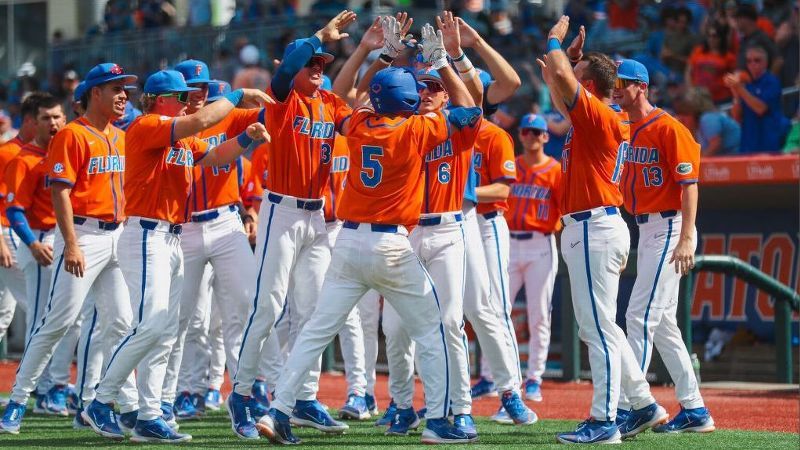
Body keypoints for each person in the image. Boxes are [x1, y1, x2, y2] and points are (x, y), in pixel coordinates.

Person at [256, 28, 482, 444]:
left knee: (315, 332)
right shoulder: (416, 130)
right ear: (409, 102)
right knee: (432, 329)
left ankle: (279, 409)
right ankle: (436, 420)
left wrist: (377, 57)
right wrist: (441, 63)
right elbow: (469, 110)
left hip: (348, 244)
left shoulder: (359, 123)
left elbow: (340, 97)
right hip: (391, 246)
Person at [82, 69, 269, 443]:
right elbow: (201, 120)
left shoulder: (180, 139)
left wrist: (246, 138)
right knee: (151, 326)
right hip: (145, 235)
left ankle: (150, 414)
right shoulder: (147, 124)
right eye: (181, 96)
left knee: (165, 333)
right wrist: (236, 95)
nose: (188, 100)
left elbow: (217, 156)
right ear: (160, 98)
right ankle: (101, 400)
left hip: (170, 237)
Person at [227, 11, 357, 440]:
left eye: (323, 64)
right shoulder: (280, 100)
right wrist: (319, 36)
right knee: (268, 306)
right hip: (280, 210)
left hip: (317, 214)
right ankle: (243, 394)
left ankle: (303, 398)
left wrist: (371, 54)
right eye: (312, 64)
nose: (318, 69)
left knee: (313, 312)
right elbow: (287, 67)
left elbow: (352, 121)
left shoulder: (330, 103)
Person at [537, 16, 665, 444]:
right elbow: (561, 92)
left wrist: (556, 43)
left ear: (589, 87)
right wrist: (568, 66)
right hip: (597, 225)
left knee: (596, 330)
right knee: (604, 326)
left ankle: (604, 421)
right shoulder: (598, 117)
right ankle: (644, 404)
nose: (571, 83)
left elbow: (560, 80)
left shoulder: (601, 117)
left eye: (578, 79)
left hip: (594, 226)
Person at [0, 64, 141, 435]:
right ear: (95, 93)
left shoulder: (120, 136)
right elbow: (59, 191)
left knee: (121, 323)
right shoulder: (72, 135)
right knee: (58, 322)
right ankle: (17, 401)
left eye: (124, 88)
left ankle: (120, 405)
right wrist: (73, 245)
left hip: (116, 235)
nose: (123, 94)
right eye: (115, 88)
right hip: (82, 234)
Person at [614, 58, 715, 434]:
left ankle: (632, 406)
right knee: (663, 324)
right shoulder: (625, 127)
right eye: (616, 83)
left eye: (624, 83)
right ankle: (695, 409)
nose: (618, 89)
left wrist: (688, 236)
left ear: (642, 86)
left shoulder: (669, 128)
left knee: (639, 316)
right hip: (645, 228)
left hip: (670, 227)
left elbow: (690, 185)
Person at [162, 59, 264, 421]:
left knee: (244, 309)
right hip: (183, 229)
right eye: (193, 87)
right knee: (180, 318)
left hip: (225, 223)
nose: (200, 92)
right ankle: (174, 393)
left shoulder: (226, 116)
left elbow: (266, 114)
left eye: (204, 86)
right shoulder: (168, 127)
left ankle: (246, 391)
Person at [1, 93, 77, 417]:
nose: (54, 123)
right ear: (33, 122)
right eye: (46, 118)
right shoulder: (23, 158)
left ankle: (55, 385)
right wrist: (31, 243)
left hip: (66, 238)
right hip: (38, 239)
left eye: (58, 116)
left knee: (72, 319)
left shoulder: (70, 151)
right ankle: (44, 389)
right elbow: (14, 210)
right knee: (40, 319)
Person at [506, 113, 562, 403]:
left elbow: (564, 210)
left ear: (545, 136)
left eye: (536, 132)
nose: (531, 136)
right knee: (498, 311)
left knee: (539, 315)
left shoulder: (555, 171)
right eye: (526, 131)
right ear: (520, 135)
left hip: (541, 243)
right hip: (510, 242)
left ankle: (533, 379)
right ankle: (499, 378)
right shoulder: (511, 167)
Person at [725, 45, 790, 153]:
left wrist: (739, 88)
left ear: (765, 62)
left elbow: (760, 109)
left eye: (757, 60)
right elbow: (737, 116)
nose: (752, 64)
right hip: (748, 142)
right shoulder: (746, 85)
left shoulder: (771, 81)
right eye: (749, 61)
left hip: (768, 141)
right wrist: (735, 94)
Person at [686, 23, 736, 104]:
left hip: (721, 98)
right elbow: (688, 72)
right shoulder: (698, 51)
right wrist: (691, 89)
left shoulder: (729, 57)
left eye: (714, 36)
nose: (711, 39)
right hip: (699, 98)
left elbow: (733, 78)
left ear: (721, 38)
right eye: (709, 36)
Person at [686, 87, 740, 155]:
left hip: (737, 156)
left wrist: (699, 163)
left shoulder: (708, 118)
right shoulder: (699, 121)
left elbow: (715, 144)